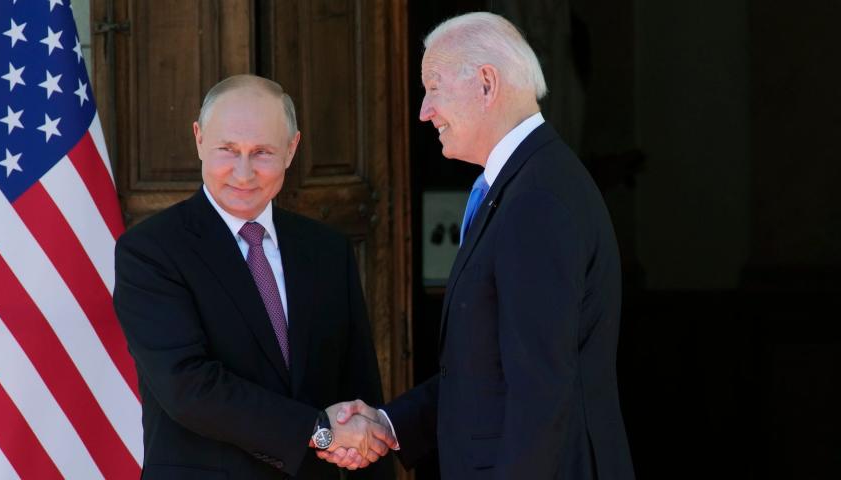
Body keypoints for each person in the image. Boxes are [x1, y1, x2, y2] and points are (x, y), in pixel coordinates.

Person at [321, 12, 635, 479]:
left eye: (434, 87)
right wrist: (388, 424)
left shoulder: (537, 199)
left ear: (487, 84)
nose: (424, 111)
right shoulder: (522, 183)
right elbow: (487, 369)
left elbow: (539, 390)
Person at [113, 74, 396, 479]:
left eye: (262, 152)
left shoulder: (327, 249)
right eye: (227, 150)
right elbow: (189, 387)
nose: (243, 173)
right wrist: (318, 432)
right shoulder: (151, 251)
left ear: (292, 148)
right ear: (198, 139)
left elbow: (359, 392)